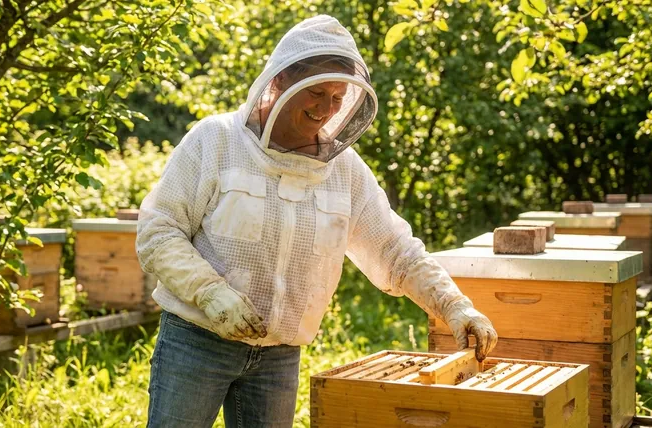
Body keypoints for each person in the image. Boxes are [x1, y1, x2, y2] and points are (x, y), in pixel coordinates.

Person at [136, 15, 497, 428]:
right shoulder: (215, 141)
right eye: (317, 92)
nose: (326, 109)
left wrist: (453, 305)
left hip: (279, 356)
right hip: (196, 341)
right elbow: (157, 231)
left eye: (337, 96)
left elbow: (395, 249)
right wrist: (209, 293)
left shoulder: (344, 171)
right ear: (281, 80)